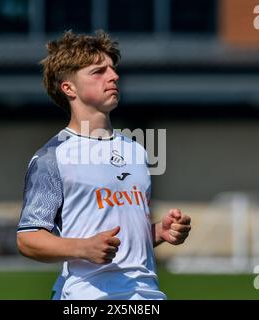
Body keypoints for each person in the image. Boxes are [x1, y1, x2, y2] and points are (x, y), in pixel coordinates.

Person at [16, 30, 191, 300]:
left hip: (148, 295)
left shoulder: (137, 150)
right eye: (98, 71)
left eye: (113, 68)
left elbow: (122, 231)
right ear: (69, 88)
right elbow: (28, 239)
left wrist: (157, 232)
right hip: (89, 297)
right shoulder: (53, 157)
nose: (114, 76)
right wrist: (83, 248)